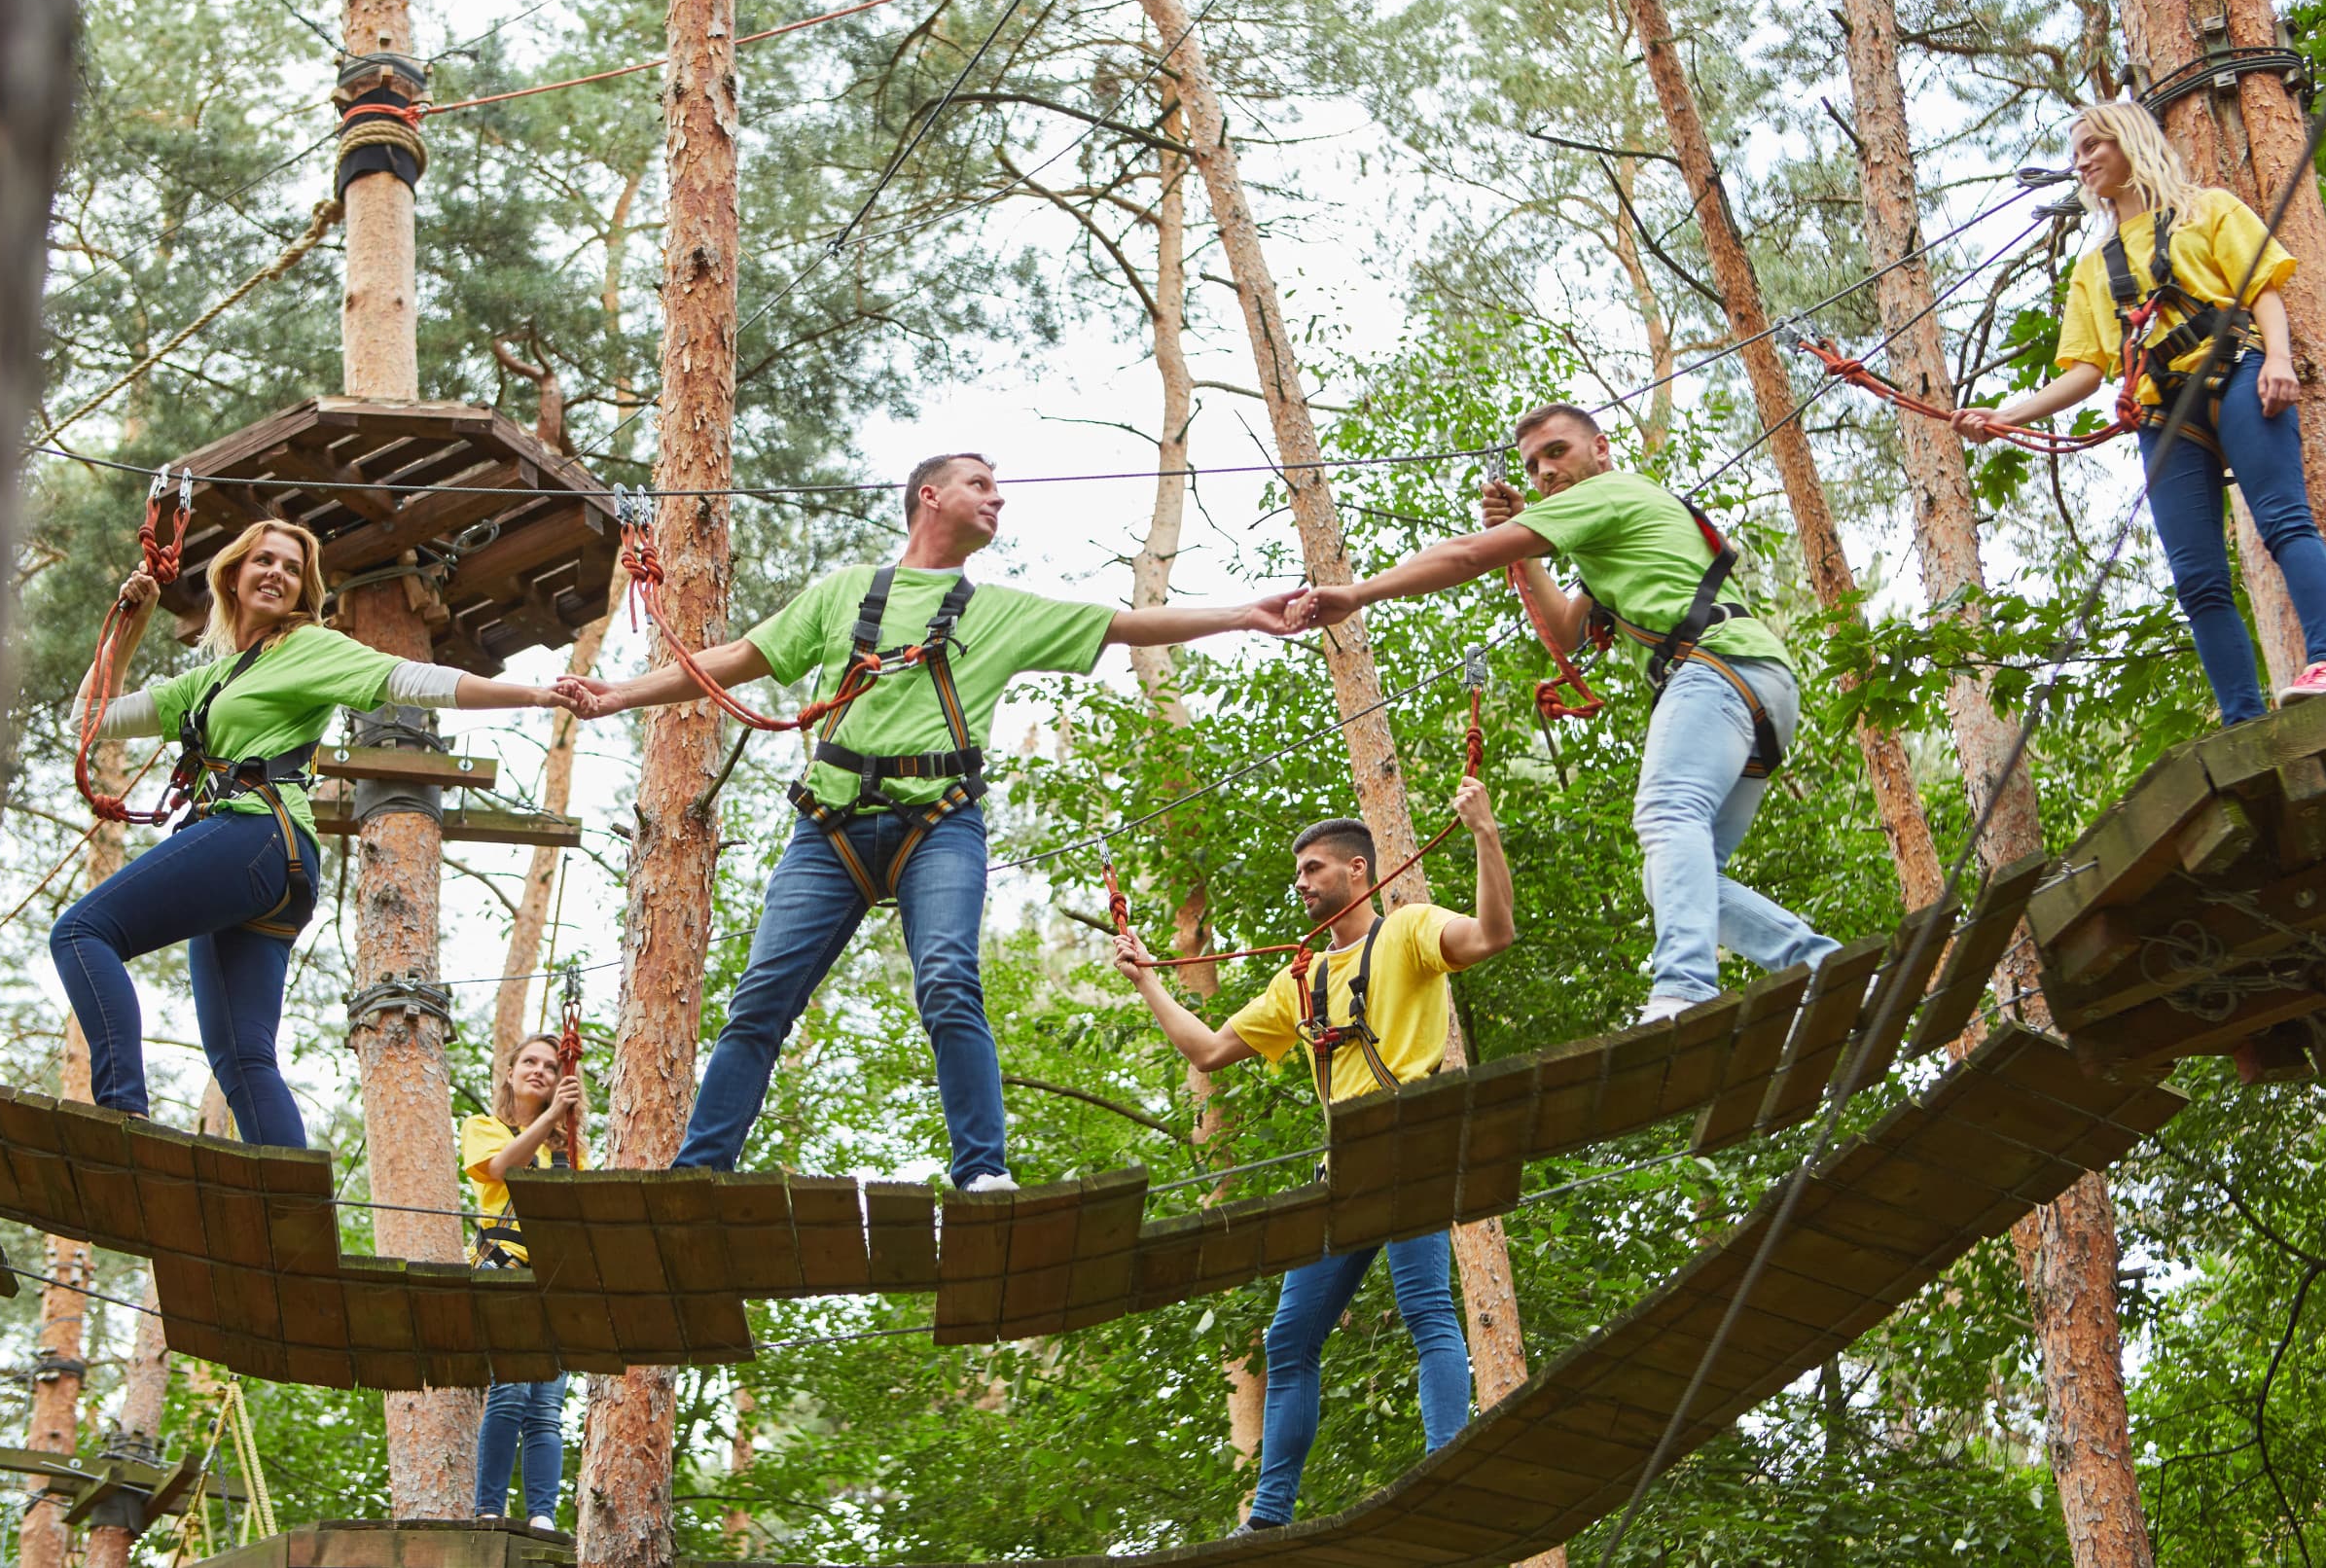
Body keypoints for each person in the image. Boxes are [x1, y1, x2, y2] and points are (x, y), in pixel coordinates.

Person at [562, 451, 1304, 1191]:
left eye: (998, 484)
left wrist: (1245, 613)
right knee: (760, 998)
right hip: (831, 827)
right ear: (930, 496)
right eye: (981, 483)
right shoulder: (845, 593)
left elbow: (1128, 624)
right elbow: (734, 658)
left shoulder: (1000, 611)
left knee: (949, 981)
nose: (999, 499)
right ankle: (698, 1172)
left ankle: (982, 1170)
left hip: (939, 826)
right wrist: (620, 693)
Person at [1287, 406, 1837, 1022]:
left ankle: (1684, 987)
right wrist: (1529, 551)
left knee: (1666, 815)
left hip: (1716, 672)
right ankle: (1821, 966)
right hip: (1754, 684)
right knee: (1674, 877)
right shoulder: (1614, 519)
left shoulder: (1607, 490)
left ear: (1600, 450)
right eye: (1533, 465)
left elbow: (1469, 554)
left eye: (1557, 451)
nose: (1545, 471)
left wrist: (1356, 594)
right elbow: (1567, 630)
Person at [55, 517, 570, 1146]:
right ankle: (296, 1226)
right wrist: (128, 630)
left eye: (292, 568)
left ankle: (121, 1114)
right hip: (267, 866)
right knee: (243, 1058)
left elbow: (408, 678)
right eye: (263, 559)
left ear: (304, 591)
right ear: (234, 573)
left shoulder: (309, 647)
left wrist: (533, 693)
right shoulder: (205, 682)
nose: (276, 572)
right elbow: (89, 721)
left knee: (82, 931)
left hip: (256, 837)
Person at [1110, 786, 1515, 1530]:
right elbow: (1207, 1049)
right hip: (1347, 1169)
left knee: (1427, 1310)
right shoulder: (1298, 979)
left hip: (1411, 1144)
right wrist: (1146, 980)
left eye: (1314, 866)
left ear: (1358, 870)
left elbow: (1492, 934)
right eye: (1299, 870)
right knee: (1288, 1339)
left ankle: (1446, 1466)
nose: (1301, 880)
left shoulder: (1410, 933)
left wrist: (1484, 834)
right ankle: (1268, 1513)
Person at [1953, 99, 2326, 726]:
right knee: (2196, 577)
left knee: (2282, 520)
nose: (2080, 163)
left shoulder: (2206, 209)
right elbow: (2085, 371)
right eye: (2075, 153)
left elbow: (2262, 290)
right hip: (2165, 414)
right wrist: (2010, 414)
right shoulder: (2093, 269)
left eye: (2091, 146)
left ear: (2129, 142)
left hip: (2237, 371)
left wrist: (2279, 360)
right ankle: (2242, 717)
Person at [462, 1034, 585, 1523]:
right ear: (510, 1075)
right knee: (511, 1389)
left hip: (555, 1277)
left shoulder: (569, 1151)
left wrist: (561, 1127)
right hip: (503, 1267)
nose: (539, 1071)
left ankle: (542, 1515)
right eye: (529, 1062)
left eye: (551, 1067)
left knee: (547, 1406)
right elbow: (499, 1167)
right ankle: (489, 1508)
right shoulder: (484, 1127)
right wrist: (552, 1117)